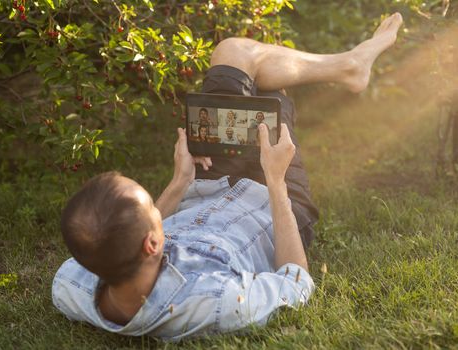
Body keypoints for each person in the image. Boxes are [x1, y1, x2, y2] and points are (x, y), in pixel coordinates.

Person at [52, 13, 403, 340]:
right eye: (154, 211)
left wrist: (179, 182)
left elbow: (114, 245)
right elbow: (297, 284)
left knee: (233, 54)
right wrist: (276, 180)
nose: (160, 212)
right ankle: (352, 64)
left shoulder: (72, 282)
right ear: (152, 244)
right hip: (271, 203)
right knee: (270, 95)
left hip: (206, 186)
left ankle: (351, 66)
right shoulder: (217, 300)